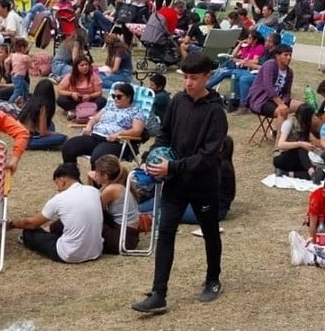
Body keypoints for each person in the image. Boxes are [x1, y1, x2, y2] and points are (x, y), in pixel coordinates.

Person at [132, 52, 228, 314]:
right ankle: (159, 293)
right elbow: (165, 135)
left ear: (208, 77)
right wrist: (153, 156)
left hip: (203, 183)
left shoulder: (216, 112)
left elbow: (208, 157)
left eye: (194, 78)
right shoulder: (177, 101)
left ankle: (212, 279)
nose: (188, 82)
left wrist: (172, 166)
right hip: (174, 182)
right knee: (165, 233)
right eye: (185, 77)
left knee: (210, 232)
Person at [9, 162, 103, 263]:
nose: (57, 188)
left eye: (57, 183)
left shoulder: (59, 199)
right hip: (95, 251)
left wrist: (11, 224)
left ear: (62, 181)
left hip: (69, 254)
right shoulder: (94, 191)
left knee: (28, 232)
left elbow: (31, 224)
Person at [61, 82, 145, 166]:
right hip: (95, 137)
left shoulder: (136, 111)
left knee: (98, 159)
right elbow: (94, 119)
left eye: (119, 97)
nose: (115, 99)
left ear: (128, 97)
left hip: (115, 142)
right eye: (114, 96)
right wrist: (89, 126)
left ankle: (95, 178)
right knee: (68, 147)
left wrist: (118, 134)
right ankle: (71, 176)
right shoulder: (110, 106)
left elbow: (137, 131)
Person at [88, 154, 140, 255]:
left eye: (96, 172)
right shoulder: (118, 185)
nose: (94, 173)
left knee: (84, 221)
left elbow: (91, 206)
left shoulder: (112, 189)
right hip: (128, 236)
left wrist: (90, 180)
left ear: (105, 176)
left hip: (123, 239)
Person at [245, 44, 303, 130]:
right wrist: (281, 104)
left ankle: (300, 135)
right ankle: (280, 141)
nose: (289, 58)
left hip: (279, 100)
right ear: (277, 56)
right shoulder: (270, 65)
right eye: (286, 55)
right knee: (282, 111)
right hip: (262, 100)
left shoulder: (289, 72)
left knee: (305, 107)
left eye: (290, 55)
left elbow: (287, 92)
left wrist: (285, 101)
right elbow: (269, 88)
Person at [272, 105, 325, 182]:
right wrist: (300, 144)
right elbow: (281, 145)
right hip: (282, 157)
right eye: (312, 116)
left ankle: (286, 173)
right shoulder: (289, 123)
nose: (314, 118)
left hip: (297, 159)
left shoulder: (305, 125)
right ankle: (311, 172)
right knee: (301, 147)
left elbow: (311, 141)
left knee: (321, 174)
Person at [20, 79, 69, 150]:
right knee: (63, 138)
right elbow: (43, 132)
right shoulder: (43, 107)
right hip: (28, 140)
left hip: (25, 133)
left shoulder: (31, 102)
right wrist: (55, 133)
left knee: (51, 124)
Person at [6, 37, 32, 104]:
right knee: (17, 91)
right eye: (27, 47)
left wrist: (7, 70)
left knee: (25, 87)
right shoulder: (25, 57)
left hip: (14, 75)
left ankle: (25, 100)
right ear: (23, 48)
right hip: (19, 76)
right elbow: (31, 66)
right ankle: (9, 103)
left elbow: (6, 62)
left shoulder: (13, 55)